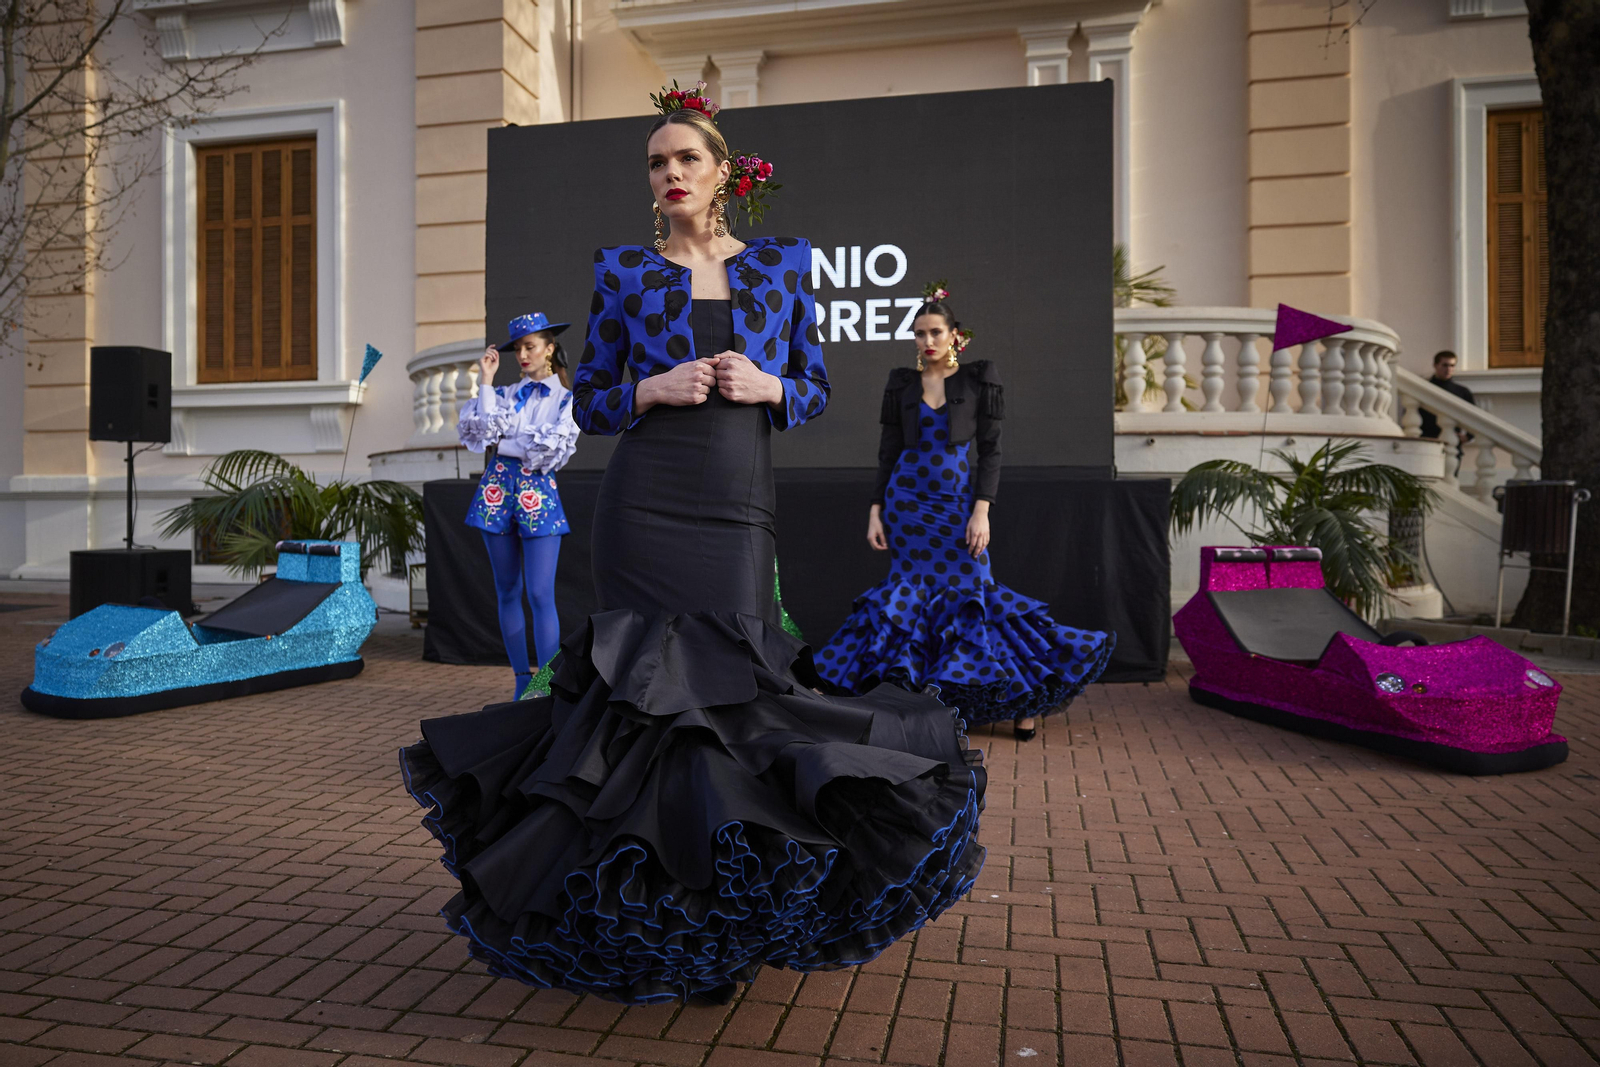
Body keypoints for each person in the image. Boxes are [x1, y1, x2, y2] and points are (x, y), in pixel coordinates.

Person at [400, 84, 986, 1006]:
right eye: (656, 162)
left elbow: (817, 389)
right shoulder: (624, 270)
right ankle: (656, 923)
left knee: (737, 700)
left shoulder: (785, 265)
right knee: (642, 706)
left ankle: (728, 914)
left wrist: (768, 386)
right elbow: (590, 400)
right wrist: (652, 388)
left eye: (686, 159)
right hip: (645, 503)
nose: (669, 173)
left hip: (736, 506)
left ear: (723, 174)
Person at [813, 285, 1115, 742]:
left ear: (955, 335)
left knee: (975, 596)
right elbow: (887, 452)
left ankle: (1021, 702)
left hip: (955, 504)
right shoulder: (901, 383)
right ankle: (919, 699)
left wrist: (982, 511)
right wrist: (876, 510)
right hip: (906, 506)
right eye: (919, 334)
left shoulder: (978, 380)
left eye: (936, 332)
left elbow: (991, 453)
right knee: (909, 598)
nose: (927, 341)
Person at [455, 312, 579, 700]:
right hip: (496, 489)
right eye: (518, 349)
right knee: (507, 589)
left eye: (531, 346)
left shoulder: (566, 398)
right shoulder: (505, 393)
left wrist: (511, 436)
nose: (523, 355)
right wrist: (487, 382)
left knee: (540, 593)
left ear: (549, 347)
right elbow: (485, 431)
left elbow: (547, 451)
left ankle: (546, 683)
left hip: (537, 490)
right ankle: (521, 681)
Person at [1417, 350, 1476, 439]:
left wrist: (1468, 437)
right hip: (1427, 440)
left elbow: (1473, 418)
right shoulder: (1423, 388)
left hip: (1452, 441)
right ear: (1435, 365)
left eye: (1452, 365)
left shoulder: (1462, 391)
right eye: (1445, 365)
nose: (1448, 369)